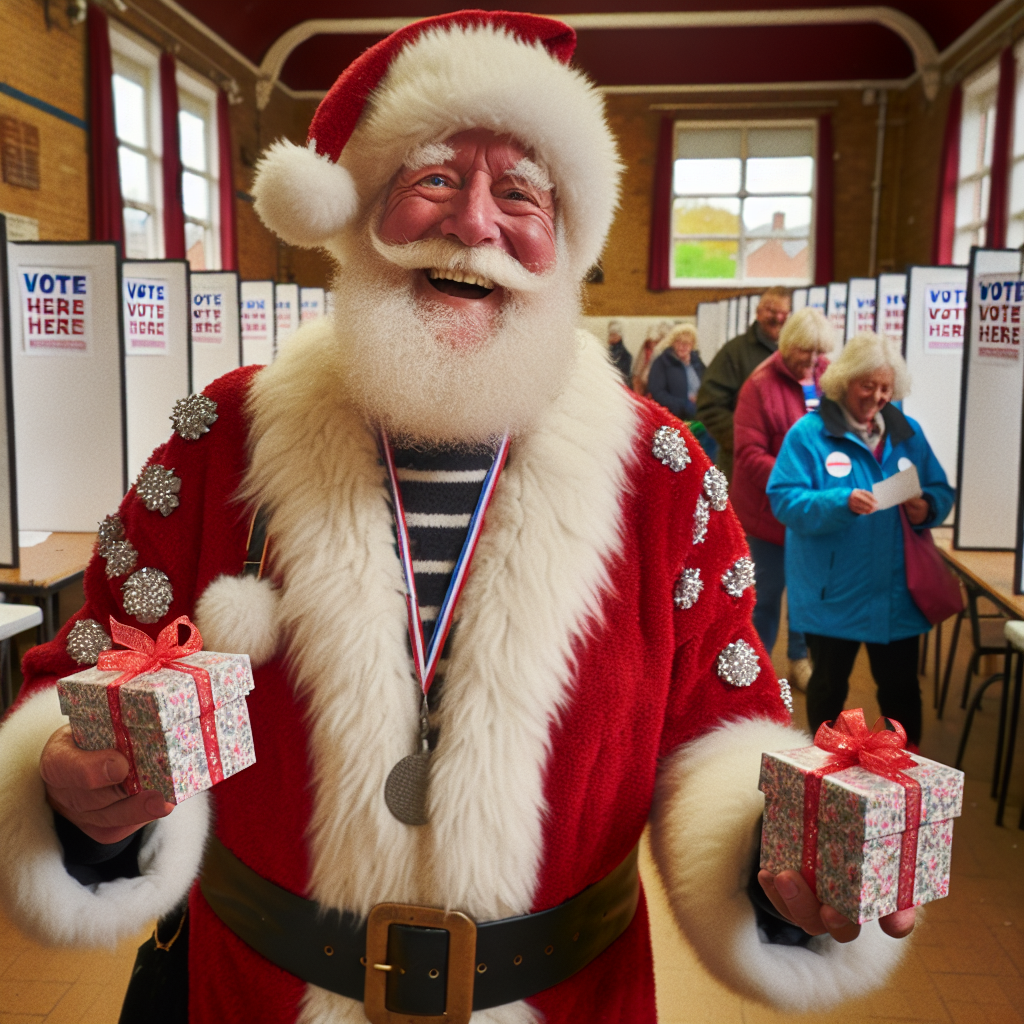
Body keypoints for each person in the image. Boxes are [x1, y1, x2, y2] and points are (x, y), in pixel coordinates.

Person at [0, 14, 913, 1024]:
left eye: (519, 190)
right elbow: (83, 679)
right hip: (252, 994)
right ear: (360, 209)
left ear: (566, 234)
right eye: (433, 176)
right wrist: (79, 805)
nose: (474, 222)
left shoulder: (661, 477)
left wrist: (781, 877)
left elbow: (723, 735)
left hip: (565, 1000)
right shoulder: (221, 440)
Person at [766, 332, 955, 749]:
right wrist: (840, 501)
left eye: (886, 387)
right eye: (867, 385)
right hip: (832, 592)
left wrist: (930, 507)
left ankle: (904, 781)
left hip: (895, 591)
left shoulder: (908, 432)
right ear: (844, 381)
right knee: (829, 690)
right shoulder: (808, 435)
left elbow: (940, 488)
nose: (877, 397)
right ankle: (825, 777)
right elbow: (783, 500)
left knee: (901, 692)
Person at [732, 307, 834, 692]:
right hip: (769, 515)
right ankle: (755, 674)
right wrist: (797, 481)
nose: (811, 360)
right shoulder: (759, 386)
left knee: (807, 596)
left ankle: (799, 660)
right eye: (804, 351)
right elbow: (749, 454)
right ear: (786, 345)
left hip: (812, 512)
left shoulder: (828, 378)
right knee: (766, 598)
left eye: (818, 353)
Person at [696, 287, 792, 481]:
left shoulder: (792, 355)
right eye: (771, 311)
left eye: (783, 313)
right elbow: (709, 406)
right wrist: (746, 441)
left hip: (784, 467)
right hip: (741, 469)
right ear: (757, 312)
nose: (777, 318)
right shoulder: (734, 353)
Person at [647, 324, 716, 460]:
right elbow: (657, 392)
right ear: (672, 343)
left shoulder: (697, 362)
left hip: (700, 417)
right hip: (676, 420)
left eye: (687, 343)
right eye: (679, 342)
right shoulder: (662, 363)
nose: (683, 346)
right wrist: (683, 405)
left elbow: (709, 383)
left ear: (692, 345)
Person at [631, 328, 660, 396]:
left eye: (655, 342)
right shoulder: (642, 353)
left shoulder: (660, 356)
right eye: (651, 341)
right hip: (640, 390)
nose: (653, 344)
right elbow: (636, 373)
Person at [606, 320, 632, 385]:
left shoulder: (625, 355)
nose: (612, 337)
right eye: (611, 335)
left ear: (619, 336)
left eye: (614, 335)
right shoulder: (610, 351)